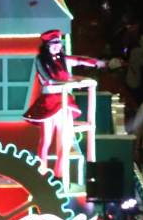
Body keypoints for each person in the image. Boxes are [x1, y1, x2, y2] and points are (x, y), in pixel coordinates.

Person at [23, 29, 108, 178]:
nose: (57, 46)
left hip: (64, 103)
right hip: (49, 102)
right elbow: (50, 79)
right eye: (53, 43)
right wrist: (74, 80)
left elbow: (79, 60)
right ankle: (41, 174)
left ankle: (59, 175)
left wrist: (96, 63)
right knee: (46, 140)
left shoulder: (62, 59)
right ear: (46, 45)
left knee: (66, 140)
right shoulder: (40, 60)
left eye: (58, 42)